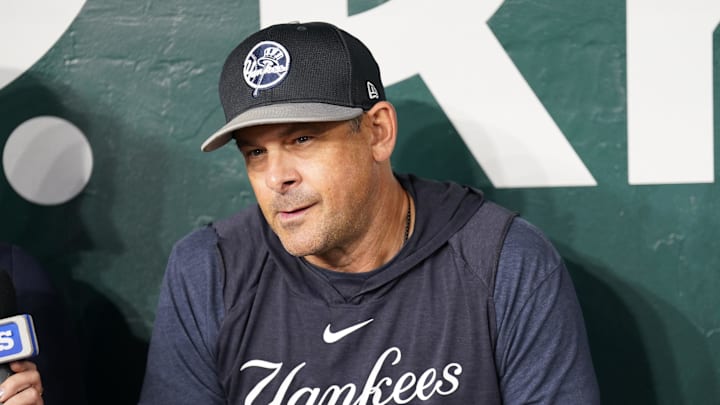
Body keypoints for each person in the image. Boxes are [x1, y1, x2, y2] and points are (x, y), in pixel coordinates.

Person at [139, 21, 600, 404]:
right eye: (256, 152)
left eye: (302, 139)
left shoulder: (505, 262)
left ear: (378, 131)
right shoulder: (210, 270)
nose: (276, 177)